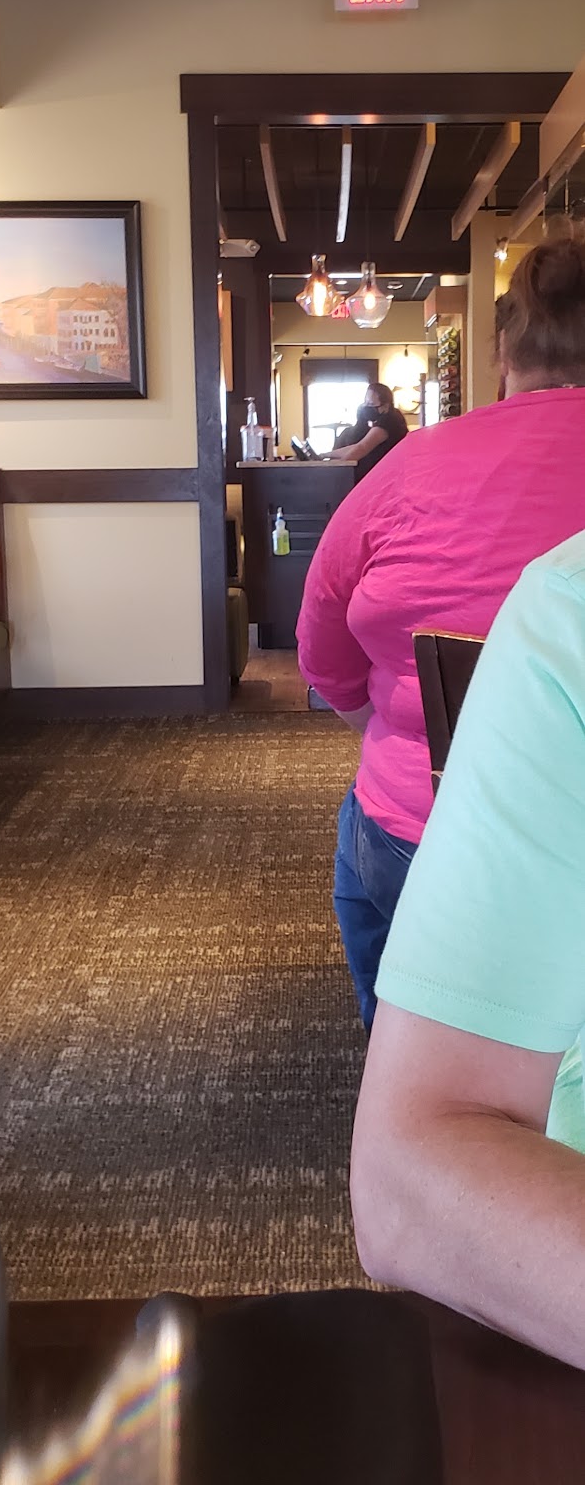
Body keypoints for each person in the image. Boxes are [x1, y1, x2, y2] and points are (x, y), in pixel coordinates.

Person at [296, 228, 585, 1033]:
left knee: (371, 872)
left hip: (420, 833)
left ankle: (409, 1069)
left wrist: (392, 725)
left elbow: (322, 646)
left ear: (502, 353)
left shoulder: (413, 464)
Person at [351, 529, 585, 1371]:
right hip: (504, 831)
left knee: (366, 849)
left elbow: (324, 664)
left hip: (424, 818)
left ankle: (378, 1023)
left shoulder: (398, 480)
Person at [328, 382, 408, 483]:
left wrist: (337, 468)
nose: (366, 407)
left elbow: (362, 447)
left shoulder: (390, 420)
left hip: (390, 479)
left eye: (371, 404)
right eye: (365, 403)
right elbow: (355, 446)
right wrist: (326, 455)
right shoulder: (383, 419)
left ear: (385, 406)